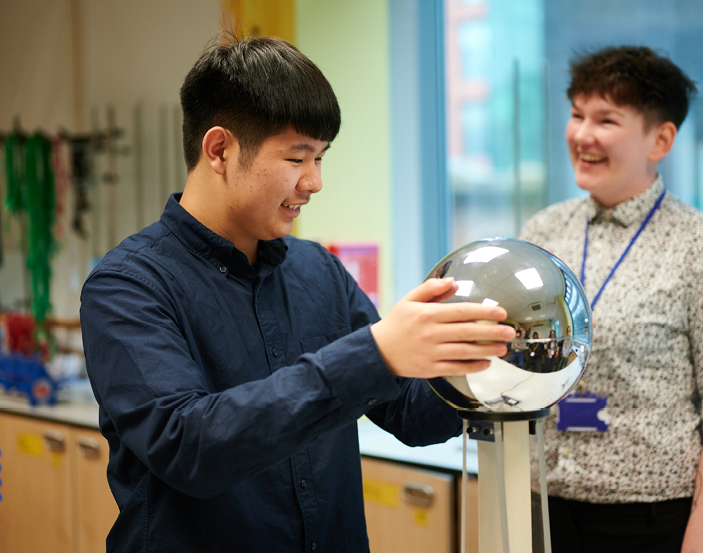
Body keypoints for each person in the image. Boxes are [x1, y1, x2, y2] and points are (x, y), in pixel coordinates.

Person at [79, 36, 515, 553]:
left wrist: (476, 362)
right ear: (219, 150)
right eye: (297, 157)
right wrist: (375, 353)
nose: (315, 182)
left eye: (321, 157)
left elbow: (409, 415)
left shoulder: (319, 272)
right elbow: (188, 446)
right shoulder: (127, 286)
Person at [520, 46, 703, 553]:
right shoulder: (543, 232)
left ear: (661, 138)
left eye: (606, 119)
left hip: (656, 523)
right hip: (546, 506)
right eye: (576, 114)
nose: (583, 134)